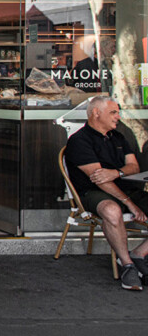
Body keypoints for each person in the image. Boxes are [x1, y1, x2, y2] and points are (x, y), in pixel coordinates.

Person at [65, 95, 148, 290]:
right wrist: (129, 203)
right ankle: (127, 264)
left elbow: (134, 167)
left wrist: (115, 172)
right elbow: (100, 181)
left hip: (128, 189)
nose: (118, 117)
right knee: (112, 210)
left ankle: (139, 253)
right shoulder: (79, 140)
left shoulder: (119, 136)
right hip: (93, 193)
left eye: (118, 112)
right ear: (96, 113)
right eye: (113, 112)